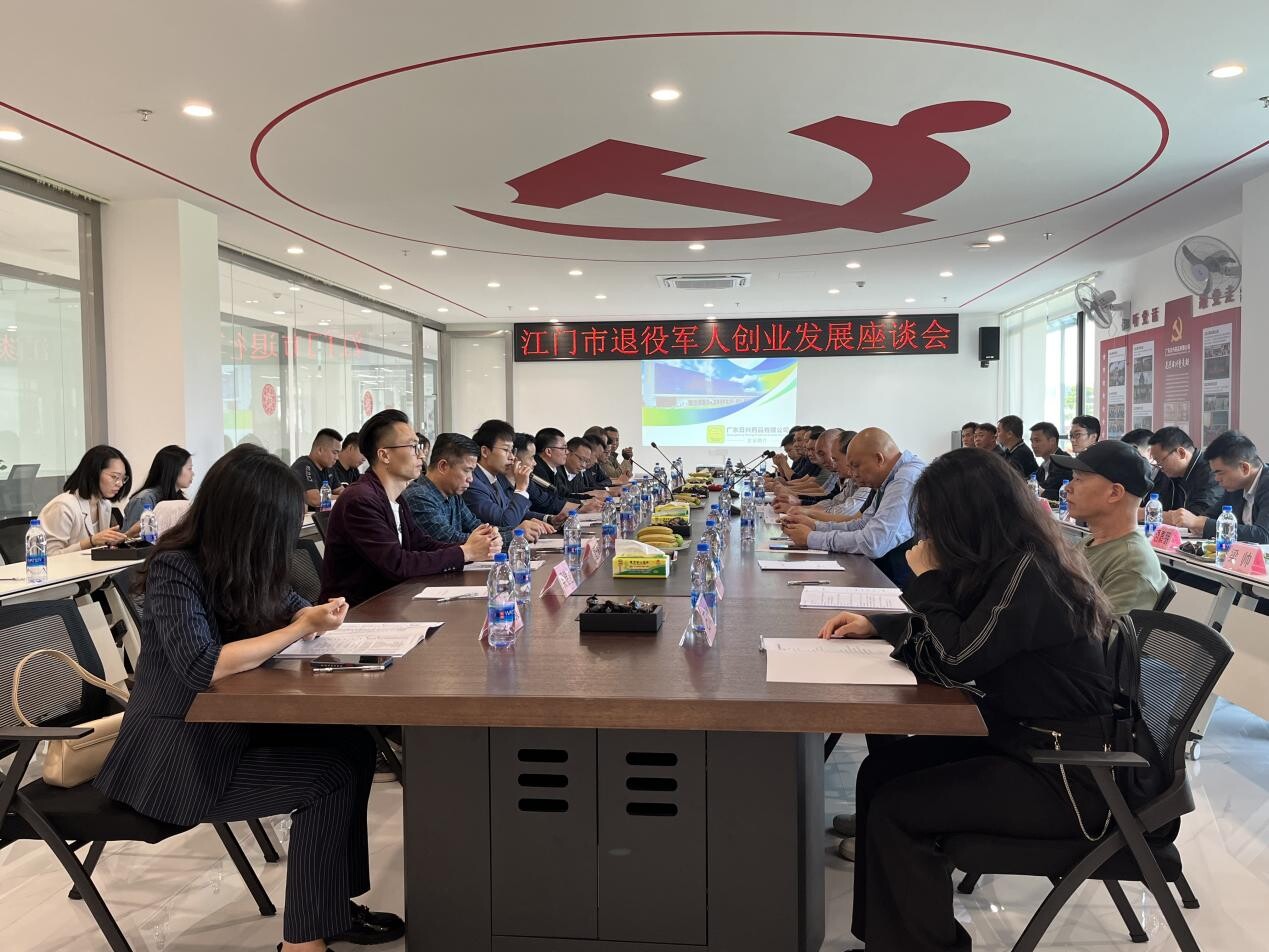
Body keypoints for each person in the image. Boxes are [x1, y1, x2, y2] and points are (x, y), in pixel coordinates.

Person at [95, 445, 403, 951]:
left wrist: (318, 615)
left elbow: (295, 606)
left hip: (231, 730)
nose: (284, 540)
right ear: (248, 520)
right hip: (176, 757)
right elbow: (202, 665)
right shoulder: (176, 568)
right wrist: (297, 627)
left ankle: (328, 908)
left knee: (353, 745)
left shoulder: (244, 562)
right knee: (327, 778)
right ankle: (302, 944)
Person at [816, 447, 1116, 952]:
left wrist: (928, 579)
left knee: (897, 808)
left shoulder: (1030, 574)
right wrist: (881, 624)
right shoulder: (1005, 564)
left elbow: (957, 658)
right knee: (881, 770)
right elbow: (959, 635)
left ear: (966, 518)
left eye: (935, 522)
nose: (928, 535)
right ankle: (885, 943)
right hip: (1017, 741)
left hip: (1065, 772)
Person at [319, 410, 497, 607]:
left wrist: (476, 545)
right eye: (413, 446)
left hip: (393, 603)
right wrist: (466, 552)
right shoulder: (360, 500)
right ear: (384, 455)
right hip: (357, 611)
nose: (421, 454)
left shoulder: (396, 499)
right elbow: (397, 564)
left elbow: (422, 544)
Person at [782, 428, 925, 584]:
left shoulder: (906, 480)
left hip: (904, 584)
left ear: (879, 459)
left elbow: (873, 543)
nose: (853, 474)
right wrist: (815, 526)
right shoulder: (888, 477)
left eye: (856, 466)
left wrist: (811, 538)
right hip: (887, 573)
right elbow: (862, 524)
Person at [1063, 440, 1168, 613]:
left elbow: (1105, 631)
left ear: (1114, 493)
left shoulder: (1131, 563)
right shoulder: (1091, 541)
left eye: (1079, 479)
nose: (1068, 487)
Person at [401, 433, 510, 549]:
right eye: (467, 470)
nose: (471, 479)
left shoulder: (453, 494)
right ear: (443, 466)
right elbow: (451, 540)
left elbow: (476, 526)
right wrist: (513, 536)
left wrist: (517, 531)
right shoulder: (418, 497)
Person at [1163, 430, 1269, 543]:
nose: (1217, 479)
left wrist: (1200, 523)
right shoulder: (1236, 486)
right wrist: (1192, 521)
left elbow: (1264, 535)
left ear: (1244, 468)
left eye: (1220, 473)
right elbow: (1211, 516)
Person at [464, 419, 554, 539]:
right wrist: (521, 488)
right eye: (506, 450)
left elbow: (510, 510)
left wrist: (548, 519)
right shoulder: (472, 483)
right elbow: (506, 522)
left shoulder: (494, 478)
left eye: (512, 451)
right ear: (485, 451)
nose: (512, 457)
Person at [39, 445, 132, 554]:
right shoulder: (63, 506)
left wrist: (126, 536)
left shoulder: (104, 505)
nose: (120, 484)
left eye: (123, 478)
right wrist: (90, 542)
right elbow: (50, 556)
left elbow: (100, 549)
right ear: (94, 473)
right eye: (114, 477)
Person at [1148, 425, 1221, 518]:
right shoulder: (1172, 474)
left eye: (1160, 461)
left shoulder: (1210, 472)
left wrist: (1147, 513)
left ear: (1181, 453)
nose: (1159, 467)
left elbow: (1196, 517)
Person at [123, 445, 193, 531]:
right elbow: (131, 537)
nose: (193, 474)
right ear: (174, 469)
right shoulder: (144, 499)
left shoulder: (180, 499)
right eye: (189, 468)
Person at [292, 428, 343, 510]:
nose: (337, 458)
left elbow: (340, 490)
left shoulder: (329, 467)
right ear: (320, 450)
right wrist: (344, 498)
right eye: (334, 452)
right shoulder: (303, 466)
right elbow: (315, 499)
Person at [1028, 422, 1074, 501]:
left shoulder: (1064, 461)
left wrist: (1041, 491)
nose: (1033, 445)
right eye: (1032, 441)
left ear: (1052, 441)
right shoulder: (1045, 464)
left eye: (1037, 440)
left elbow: (1067, 493)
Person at [996, 415, 1038, 479]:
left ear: (1009, 434)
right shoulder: (1011, 451)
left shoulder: (1021, 453)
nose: (996, 435)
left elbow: (1007, 479)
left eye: (999, 431)